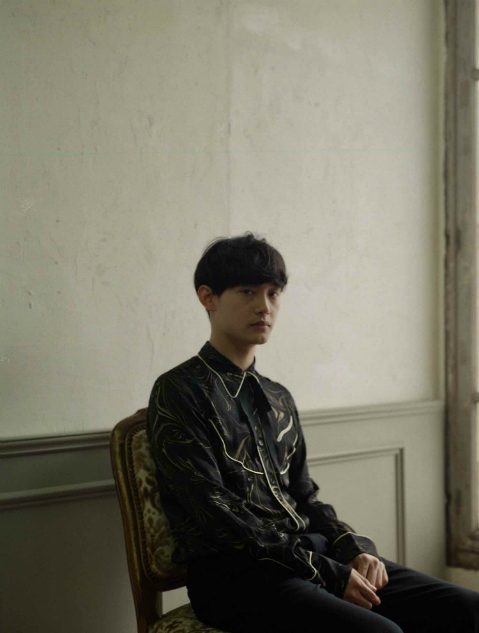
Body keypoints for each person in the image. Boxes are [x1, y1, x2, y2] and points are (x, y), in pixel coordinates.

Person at [147, 233, 479, 633]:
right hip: (235, 578)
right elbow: (216, 515)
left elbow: (305, 496)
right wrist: (326, 572)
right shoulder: (178, 391)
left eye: (273, 293)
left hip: (308, 555)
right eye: (248, 291)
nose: (264, 306)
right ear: (208, 298)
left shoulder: (278, 397)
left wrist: (352, 548)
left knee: (466, 607)